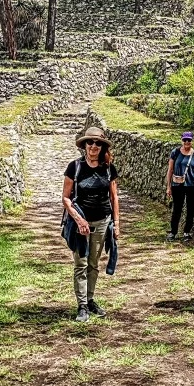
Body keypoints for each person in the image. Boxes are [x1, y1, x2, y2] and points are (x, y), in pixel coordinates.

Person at [62, 127, 120, 323]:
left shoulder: (109, 168)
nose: (93, 146)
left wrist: (117, 223)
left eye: (98, 143)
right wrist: (79, 219)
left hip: (103, 221)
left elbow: (114, 197)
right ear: (84, 145)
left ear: (102, 147)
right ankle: (82, 306)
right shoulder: (75, 167)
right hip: (80, 223)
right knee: (81, 264)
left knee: (93, 264)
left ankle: (90, 298)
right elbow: (66, 198)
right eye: (90, 143)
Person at [165, 131, 194, 242]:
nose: (187, 142)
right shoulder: (175, 152)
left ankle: (187, 232)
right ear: (182, 140)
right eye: (185, 140)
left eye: (189, 140)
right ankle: (173, 232)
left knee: (191, 209)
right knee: (177, 209)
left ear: (192, 141)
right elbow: (170, 170)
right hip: (177, 185)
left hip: (192, 185)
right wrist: (168, 186)